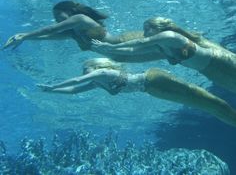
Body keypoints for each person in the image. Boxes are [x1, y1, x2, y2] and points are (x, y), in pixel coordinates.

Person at [37, 58, 236, 127]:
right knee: (198, 101)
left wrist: (54, 85)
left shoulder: (103, 72)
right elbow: (74, 90)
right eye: (85, 70)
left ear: (95, 66)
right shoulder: (99, 83)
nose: (85, 72)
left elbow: (78, 80)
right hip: (151, 89)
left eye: (87, 68)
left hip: (153, 78)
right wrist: (51, 92)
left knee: (196, 95)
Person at [91, 17, 236, 94]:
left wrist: (111, 46)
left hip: (218, 60)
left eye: (147, 29)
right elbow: (132, 51)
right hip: (209, 71)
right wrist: (111, 51)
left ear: (157, 28)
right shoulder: (162, 47)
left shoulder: (169, 35)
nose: (145, 33)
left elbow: (142, 42)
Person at [2, 1, 163, 62]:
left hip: (125, 42)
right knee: (167, 55)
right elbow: (51, 36)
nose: (57, 19)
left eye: (59, 15)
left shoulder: (79, 19)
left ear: (70, 11)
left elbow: (52, 29)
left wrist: (24, 34)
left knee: (166, 44)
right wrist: (25, 39)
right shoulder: (74, 32)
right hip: (120, 56)